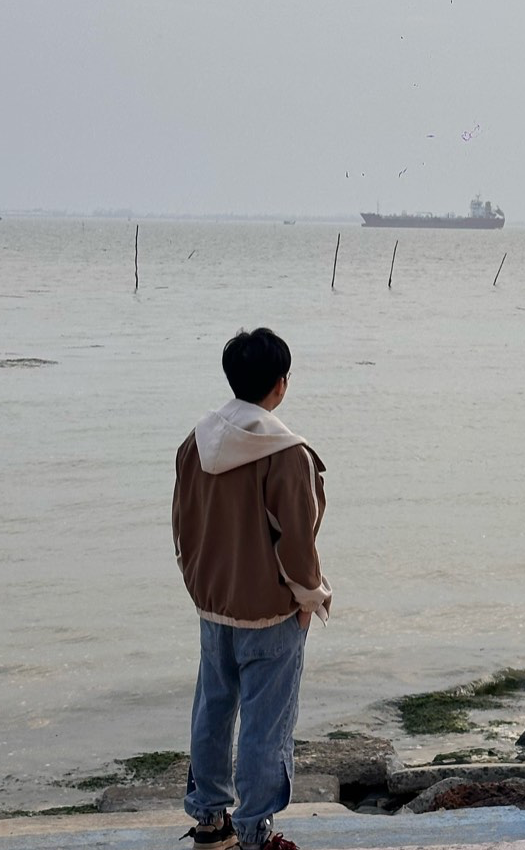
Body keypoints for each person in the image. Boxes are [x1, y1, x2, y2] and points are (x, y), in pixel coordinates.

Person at [173, 327, 332, 850]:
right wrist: (310, 599)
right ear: (280, 384)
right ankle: (256, 831)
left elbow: (183, 526)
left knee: (212, 711)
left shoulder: (195, 442)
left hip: (214, 605)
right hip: (270, 612)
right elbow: (297, 544)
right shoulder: (287, 453)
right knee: (267, 725)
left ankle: (209, 819)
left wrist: (202, 588)